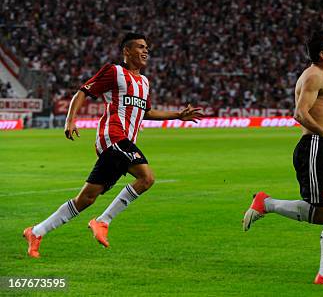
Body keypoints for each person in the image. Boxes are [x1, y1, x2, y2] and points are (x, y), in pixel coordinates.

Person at [23, 33, 204, 258]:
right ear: (127, 51)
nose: (145, 51)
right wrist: (70, 119)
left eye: (147, 47)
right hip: (113, 137)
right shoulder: (114, 72)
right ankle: (102, 221)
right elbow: (83, 91)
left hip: (125, 144)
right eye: (140, 47)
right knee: (146, 178)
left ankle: (36, 232)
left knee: (87, 198)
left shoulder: (145, 82)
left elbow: (146, 112)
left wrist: (177, 115)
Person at [242, 30, 323, 286]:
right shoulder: (314, 76)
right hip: (313, 146)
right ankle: (267, 203)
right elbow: (300, 114)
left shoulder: (322, 77)